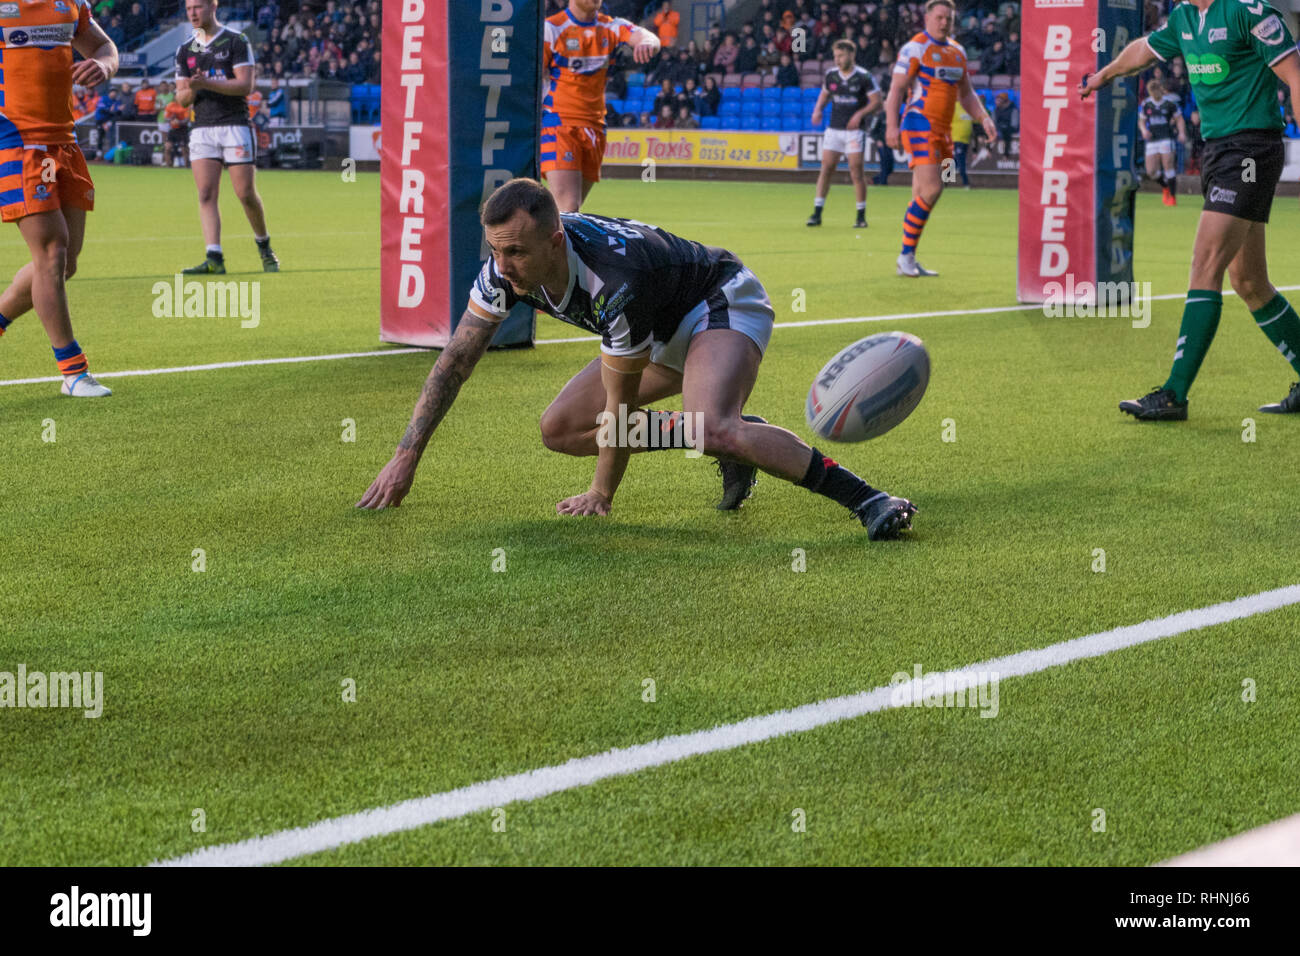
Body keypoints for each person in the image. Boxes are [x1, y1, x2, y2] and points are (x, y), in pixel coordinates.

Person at [357, 179, 917, 539]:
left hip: (715, 301)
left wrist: (601, 495)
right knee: (560, 429)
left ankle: (867, 499)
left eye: (516, 252)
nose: (502, 266)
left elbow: (621, 412)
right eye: (496, 250)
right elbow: (454, 361)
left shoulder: (614, 281)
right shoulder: (505, 270)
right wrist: (406, 456)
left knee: (712, 427)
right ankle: (723, 432)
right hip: (658, 325)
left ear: (556, 243)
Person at [1082, 0, 1300, 418]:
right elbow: (1145, 49)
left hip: (1251, 151)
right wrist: (1104, 75)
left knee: (1205, 262)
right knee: (1250, 282)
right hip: (1219, 150)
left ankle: (1174, 394)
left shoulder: (1248, 12)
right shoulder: (1183, 18)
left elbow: (1294, 73)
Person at [0, 0, 119, 398]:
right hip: (15, 143)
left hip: (63, 145)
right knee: (52, 252)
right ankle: (74, 372)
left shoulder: (72, 4)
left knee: (64, 263)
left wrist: (103, 65)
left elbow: (105, 48)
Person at [885, 0, 996, 276]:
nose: (944, 22)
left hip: (944, 131)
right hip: (918, 124)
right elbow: (896, 90)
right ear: (927, 17)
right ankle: (905, 256)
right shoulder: (915, 48)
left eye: (949, 18)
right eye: (939, 17)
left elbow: (967, 94)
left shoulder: (957, 52)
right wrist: (890, 126)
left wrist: (983, 118)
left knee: (927, 191)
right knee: (934, 189)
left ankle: (908, 256)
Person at [173, 0, 280, 274]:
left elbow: (245, 85)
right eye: (189, 9)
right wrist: (194, 89)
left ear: (212, 6)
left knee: (245, 193)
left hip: (234, 125)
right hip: (202, 129)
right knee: (206, 193)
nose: (193, 13)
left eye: (198, 7)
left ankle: (264, 246)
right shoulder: (185, 49)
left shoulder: (236, 40)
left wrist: (206, 83)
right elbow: (182, 98)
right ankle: (214, 258)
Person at [541, 0, 660, 212]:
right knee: (569, 209)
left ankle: (538, 239)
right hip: (560, 124)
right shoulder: (552, 29)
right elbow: (532, 77)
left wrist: (647, 43)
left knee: (565, 212)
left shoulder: (611, 27)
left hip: (595, 128)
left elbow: (648, 36)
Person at [806, 40, 880, 228]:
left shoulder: (864, 76)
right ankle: (817, 213)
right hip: (834, 130)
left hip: (854, 132)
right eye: (835, 56)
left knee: (856, 170)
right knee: (826, 169)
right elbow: (824, 94)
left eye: (841, 56)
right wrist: (817, 110)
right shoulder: (831, 75)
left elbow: (876, 101)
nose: (837, 60)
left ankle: (861, 216)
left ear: (851, 55)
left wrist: (859, 114)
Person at [1138, 78, 1187, 206]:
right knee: (1151, 172)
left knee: (1168, 167)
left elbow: (1179, 119)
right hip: (1152, 140)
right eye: (1152, 92)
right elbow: (1141, 121)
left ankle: (1172, 197)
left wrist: (1181, 133)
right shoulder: (1146, 104)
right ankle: (1165, 187)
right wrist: (1144, 130)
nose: (1155, 94)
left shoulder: (1169, 103)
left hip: (1166, 138)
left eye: (1157, 91)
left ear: (1161, 90)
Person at [951, 99, 972, 187]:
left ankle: (945, 182)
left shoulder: (968, 107)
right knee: (960, 161)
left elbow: (974, 123)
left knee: (954, 160)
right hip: (956, 139)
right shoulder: (954, 107)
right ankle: (966, 183)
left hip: (965, 141)